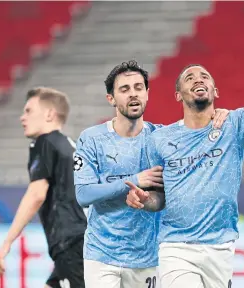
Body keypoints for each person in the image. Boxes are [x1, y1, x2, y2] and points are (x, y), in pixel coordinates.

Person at [125, 10, 244, 288]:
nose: (198, 79)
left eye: (204, 77)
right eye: (189, 78)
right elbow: (159, 198)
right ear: (178, 94)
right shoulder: (161, 139)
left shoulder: (234, 125)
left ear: (215, 90)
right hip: (176, 246)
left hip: (220, 247)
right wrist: (143, 200)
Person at [73, 60, 229, 288]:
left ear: (147, 93)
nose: (133, 94)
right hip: (102, 255)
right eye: (124, 90)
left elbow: (197, 137)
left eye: (138, 88)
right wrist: (135, 181)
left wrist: (217, 114)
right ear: (111, 99)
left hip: (147, 257)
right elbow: (84, 195)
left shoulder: (163, 139)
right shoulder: (92, 138)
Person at [0, 87, 87, 288]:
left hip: (69, 243)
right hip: (80, 240)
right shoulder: (69, 145)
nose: (22, 118)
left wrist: (7, 243)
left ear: (49, 114)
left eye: (28, 111)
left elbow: (36, 194)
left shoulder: (44, 142)